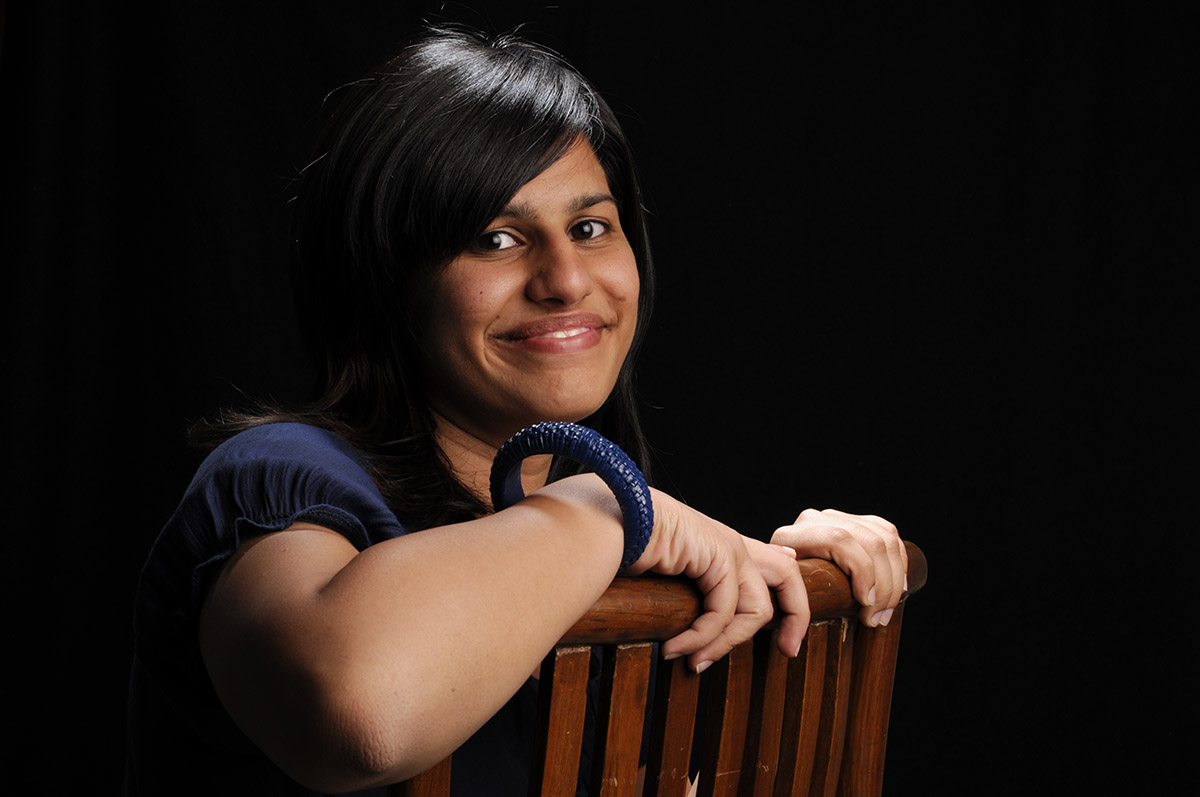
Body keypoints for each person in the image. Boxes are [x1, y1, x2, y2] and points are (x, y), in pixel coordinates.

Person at [123, 25, 908, 796]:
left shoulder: (589, 549)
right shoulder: (277, 478)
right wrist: (602, 507)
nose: (565, 279)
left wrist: (804, 594)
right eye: (495, 239)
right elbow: (361, 715)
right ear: (384, 278)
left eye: (590, 228)